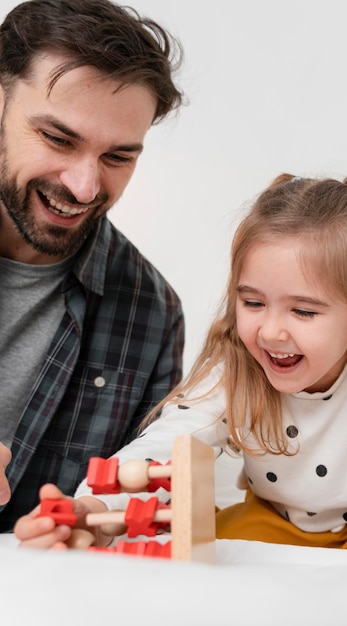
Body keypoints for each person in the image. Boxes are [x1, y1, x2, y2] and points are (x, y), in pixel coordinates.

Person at [15, 161, 347, 557]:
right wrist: (93, 507)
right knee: (213, 547)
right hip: (275, 521)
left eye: (303, 310)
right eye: (253, 303)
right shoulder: (237, 370)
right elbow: (169, 445)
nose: (271, 331)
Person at [0, 0, 186, 532]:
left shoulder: (153, 313)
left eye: (117, 157)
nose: (84, 187)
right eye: (59, 139)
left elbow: (132, 517)